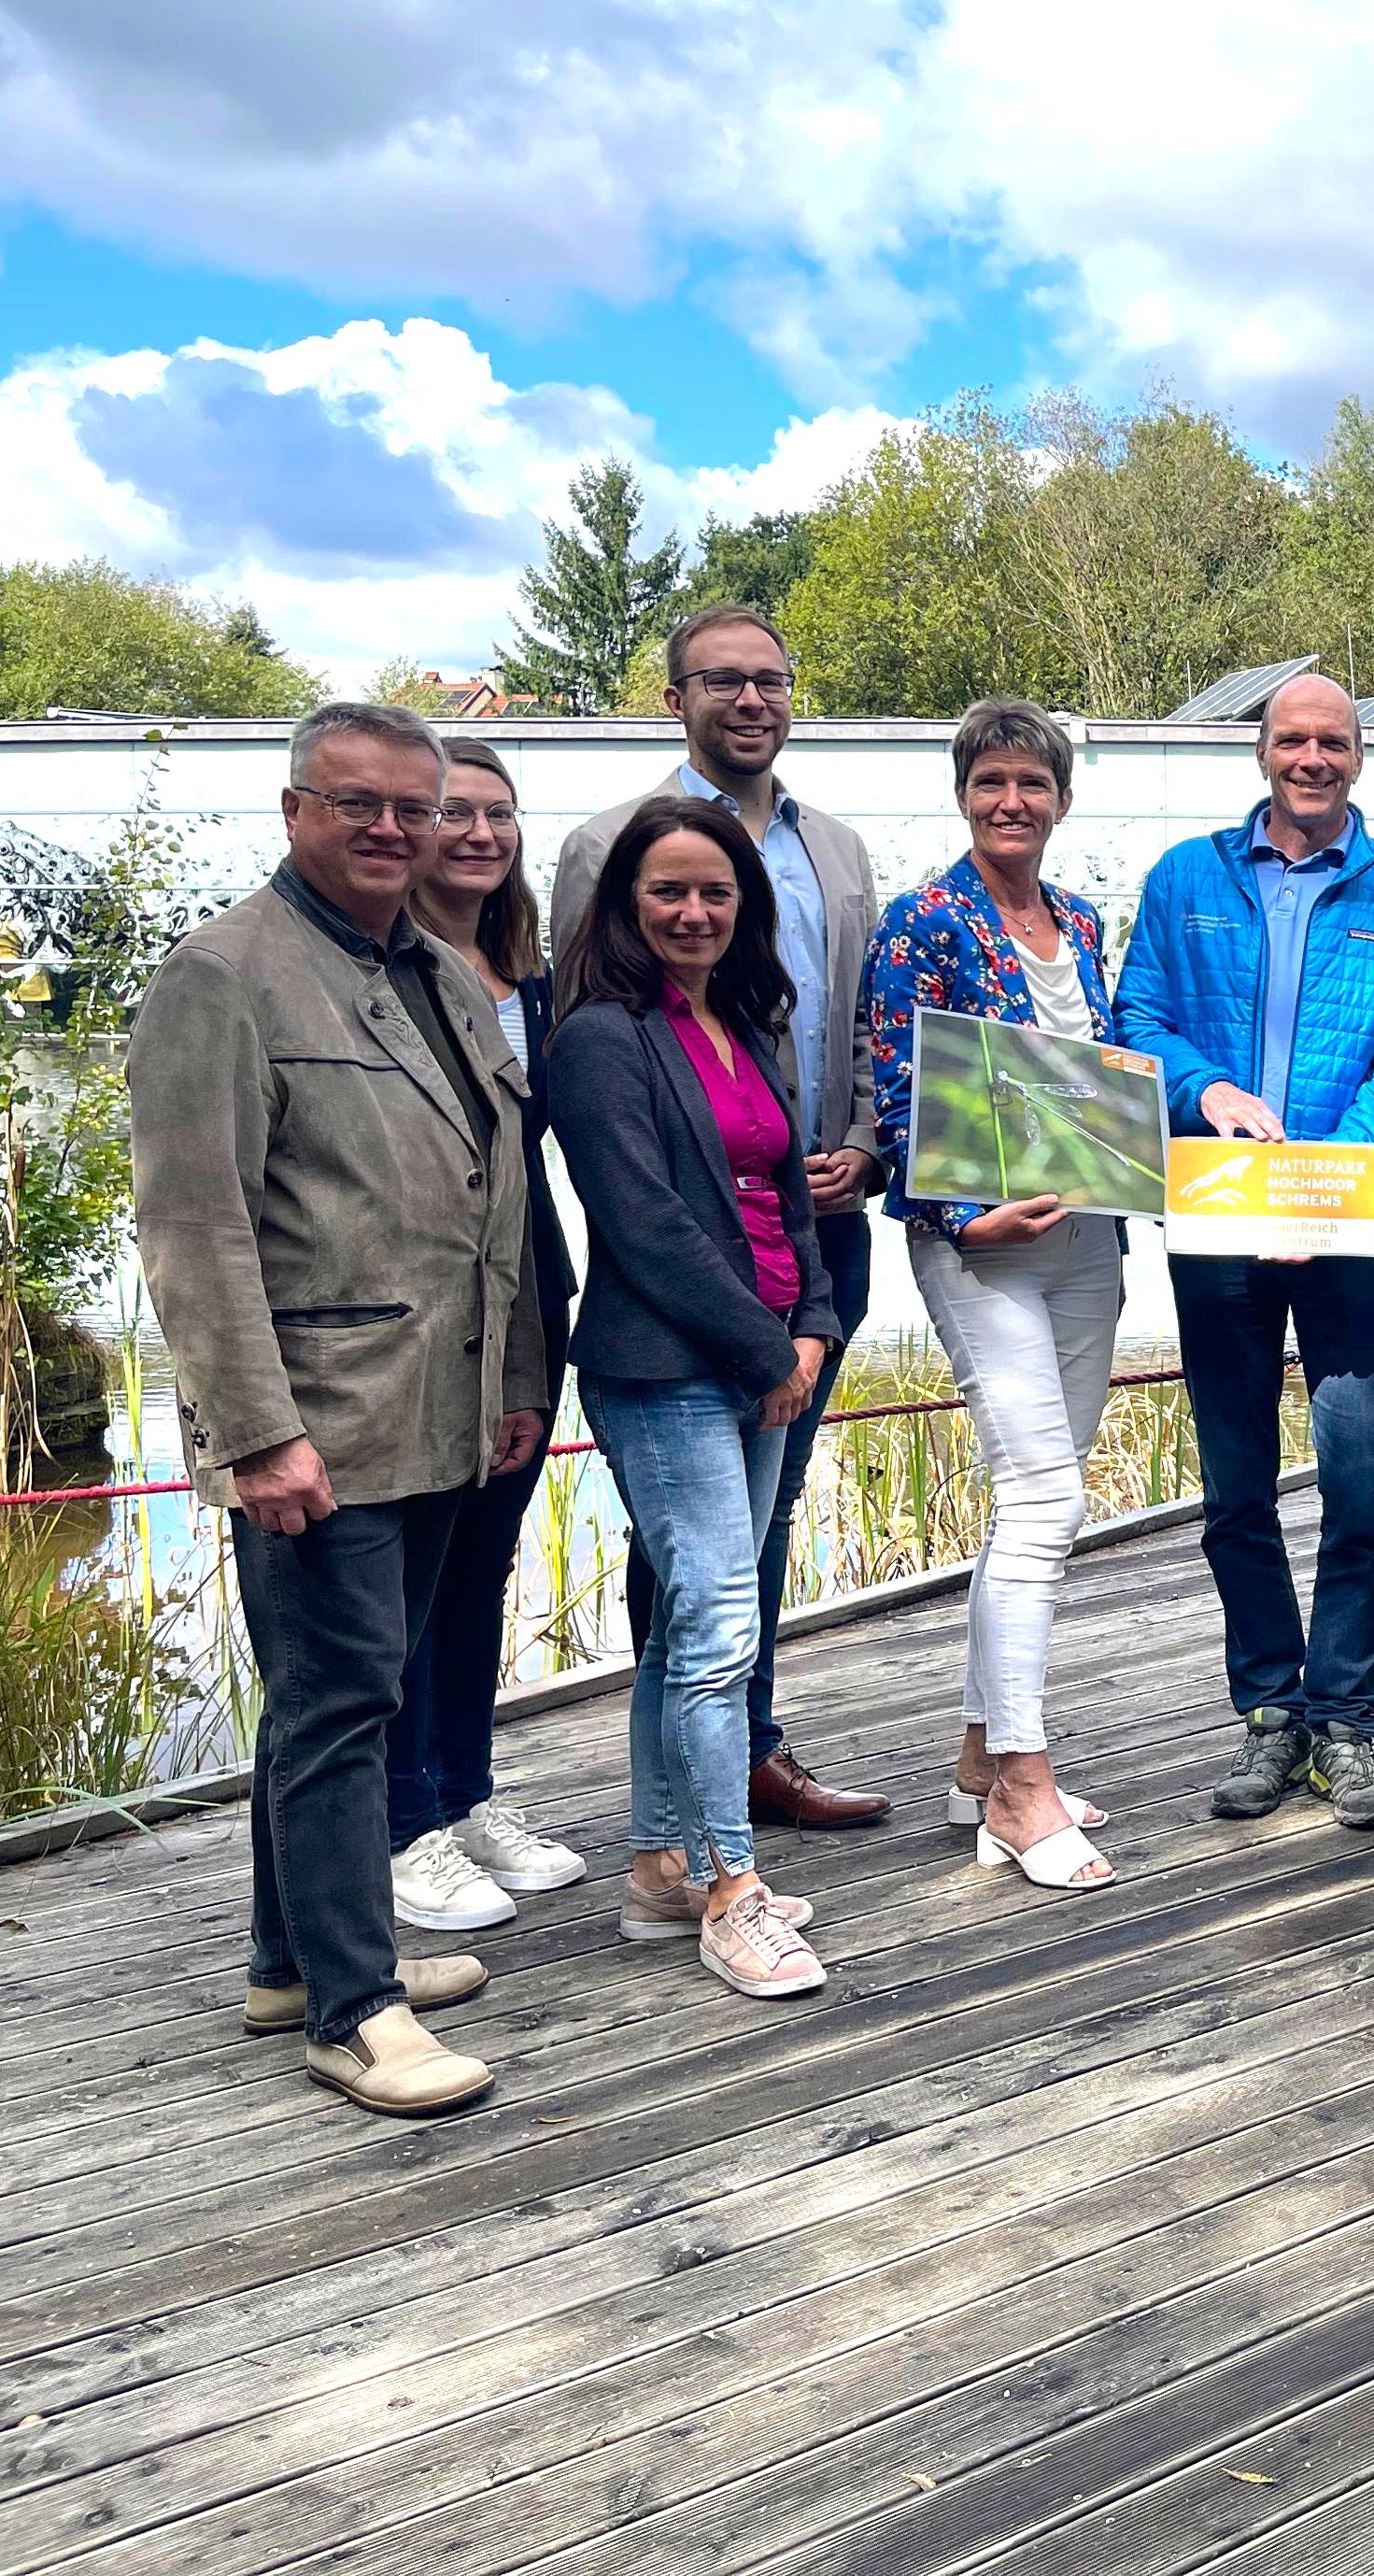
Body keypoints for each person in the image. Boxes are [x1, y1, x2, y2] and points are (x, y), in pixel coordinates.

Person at [130, 701, 543, 2113]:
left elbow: (495, 1210)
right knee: (339, 1701)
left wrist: (514, 1388)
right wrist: (255, 1431)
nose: (392, 830)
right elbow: (195, 1226)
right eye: (357, 803)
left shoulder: (434, 968)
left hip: (439, 1406)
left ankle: (292, 1958)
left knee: (340, 1694)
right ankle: (353, 2010)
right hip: (321, 1418)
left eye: (413, 809)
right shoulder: (226, 976)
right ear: (296, 807)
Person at [555, 605, 890, 1834]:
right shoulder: (605, 844)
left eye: (772, 681)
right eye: (723, 681)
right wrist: (763, 1341)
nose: (752, 701)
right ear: (675, 694)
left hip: (811, 1231)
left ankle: (746, 1750)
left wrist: (861, 1147)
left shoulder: (838, 850)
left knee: (767, 1515)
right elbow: (598, 1071)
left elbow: (857, 1024)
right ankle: (702, 1818)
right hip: (682, 1272)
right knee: (689, 1551)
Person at [1115, 671, 1374, 1833]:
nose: (1313, 758)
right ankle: (1270, 1713)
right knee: (1235, 1487)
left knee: (1360, 1484)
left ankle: (1345, 1721)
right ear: (1262, 751)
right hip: (1213, 1220)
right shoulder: (1183, 879)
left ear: (1358, 758)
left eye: (1334, 743)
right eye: (1293, 740)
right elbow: (1138, 1026)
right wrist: (1208, 1094)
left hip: (1344, 1230)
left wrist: (1324, 1197)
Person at [548, 797, 840, 1998]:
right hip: (667, 1366)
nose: (693, 911)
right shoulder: (599, 1039)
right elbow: (645, 1225)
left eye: (715, 892)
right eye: (667, 890)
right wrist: (764, 1353)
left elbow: (789, 1190)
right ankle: (732, 1887)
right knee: (720, 1622)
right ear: (626, 903)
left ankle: (657, 1871)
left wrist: (815, 1321)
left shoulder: (749, 1019)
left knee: (687, 1627)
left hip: (772, 1350)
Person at [866, 701, 1126, 1896]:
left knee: (1043, 1485)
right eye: (991, 781)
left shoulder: (1079, 919)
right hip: (978, 1242)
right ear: (964, 792)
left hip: (1083, 1237)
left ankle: (979, 1750)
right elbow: (900, 1081)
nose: (1011, 800)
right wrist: (962, 1214)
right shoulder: (922, 921)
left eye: (1032, 782)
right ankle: (1023, 1782)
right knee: (1047, 1496)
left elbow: (1097, 1077)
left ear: (1061, 799)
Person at [387, 735, 586, 1934]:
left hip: (530, 1290)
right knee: (408, 1568)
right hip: (420, 1299)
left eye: (498, 815)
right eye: (454, 812)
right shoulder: (378, 965)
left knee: (483, 1560)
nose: (478, 834)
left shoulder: (531, 972)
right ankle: (402, 1820)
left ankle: (462, 1792)